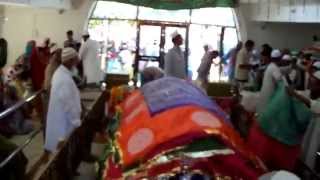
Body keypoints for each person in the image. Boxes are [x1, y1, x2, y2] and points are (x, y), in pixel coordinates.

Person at [44, 47, 82, 153]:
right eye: (75, 60)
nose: (76, 62)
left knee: (63, 150)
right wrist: (76, 121)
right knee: (63, 152)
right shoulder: (63, 78)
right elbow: (68, 104)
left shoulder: (62, 73)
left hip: (63, 119)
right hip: (64, 121)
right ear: (69, 61)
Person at [287, 68, 320, 171]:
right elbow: (305, 94)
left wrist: (296, 94)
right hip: (310, 130)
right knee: (305, 150)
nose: (310, 86)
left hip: (318, 134)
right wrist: (293, 91)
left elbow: (315, 106)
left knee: (312, 153)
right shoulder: (312, 93)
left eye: (313, 84)